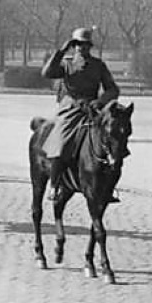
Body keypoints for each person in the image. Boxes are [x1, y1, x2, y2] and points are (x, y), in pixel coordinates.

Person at [40, 27, 119, 201]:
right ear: (73, 46)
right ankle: (54, 184)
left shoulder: (99, 65)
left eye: (84, 45)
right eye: (77, 45)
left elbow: (112, 89)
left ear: (89, 46)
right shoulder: (66, 63)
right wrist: (60, 52)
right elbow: (47, 73)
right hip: (71, 108)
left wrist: (100, 101)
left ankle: (108, 185)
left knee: (111, 140)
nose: (81, 48)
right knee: (61, 139)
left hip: (93, 107)